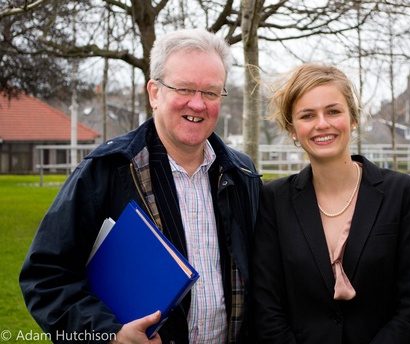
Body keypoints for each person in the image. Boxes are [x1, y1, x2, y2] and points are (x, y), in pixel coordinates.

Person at [20, 28, 262, 344]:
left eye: (211, 92)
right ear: (154, 93)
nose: (198, 104)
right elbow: (46, 277)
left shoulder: (242, 174)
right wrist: (108, 335)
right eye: (185, 88)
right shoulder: (106, 170)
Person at [251, 62, 410, 343]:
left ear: (353, 118)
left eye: (333, 111)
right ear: (292, 129)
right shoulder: (274, 199)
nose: (322, 124)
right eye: (307, 115)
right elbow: (267, 308)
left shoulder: (400, 193)